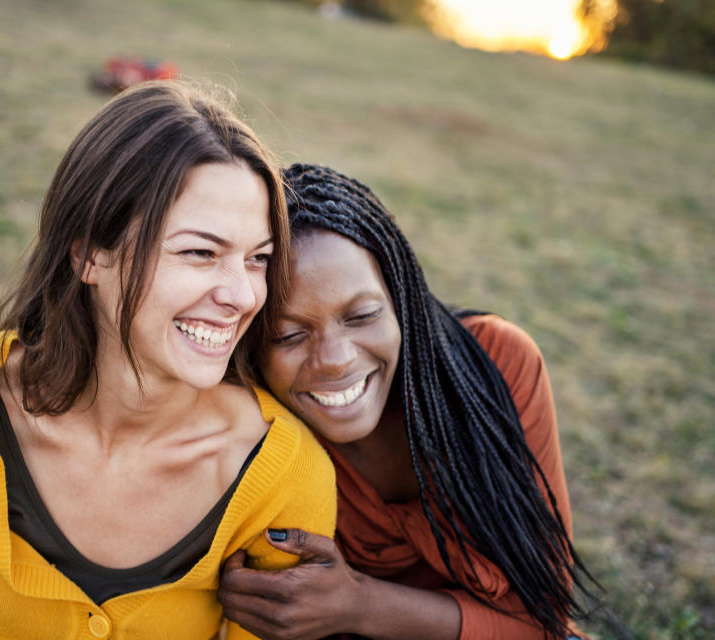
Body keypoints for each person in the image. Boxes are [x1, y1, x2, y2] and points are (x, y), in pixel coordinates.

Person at [0, 83, 336, 639]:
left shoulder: (284, 471)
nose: (241, 295)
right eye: (199, 252)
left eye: (258, 259)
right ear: (89, 254)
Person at [218, 163, 596, 639]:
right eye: (289, 335)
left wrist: (359, 604)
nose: (335, 360)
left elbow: (545, 620)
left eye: (362, 315)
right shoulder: (253, 430)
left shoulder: (496, 364)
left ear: (401, 297)